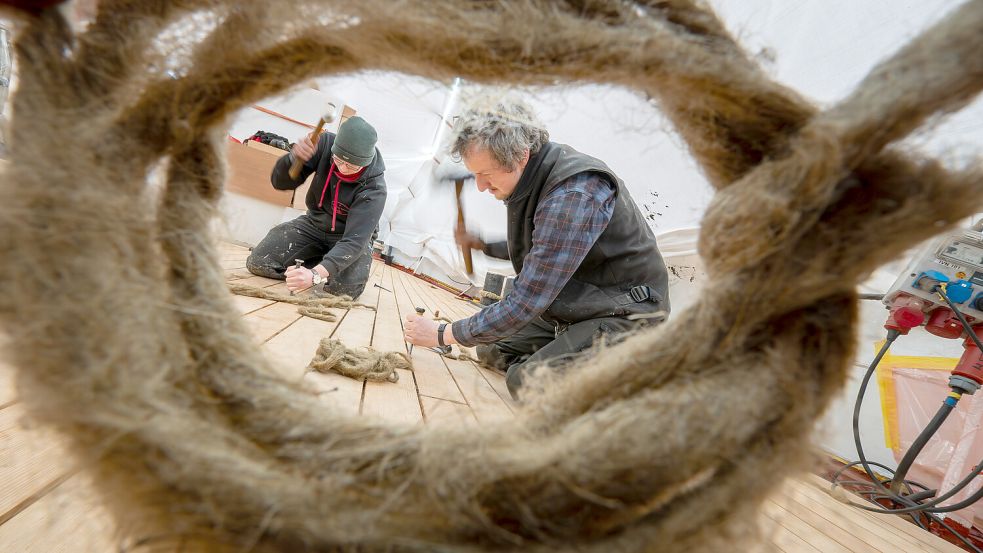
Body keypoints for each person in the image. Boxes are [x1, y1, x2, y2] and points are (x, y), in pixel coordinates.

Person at [403, 98, 670, 399]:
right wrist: (484, 245)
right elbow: (545, 247)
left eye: (486, 175)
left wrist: (443, 333)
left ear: (520, 155)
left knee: (527, 383)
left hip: (623, 314)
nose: (479, 186)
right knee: (490, 348)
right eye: (474, 174)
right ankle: (572, 359)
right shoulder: (534, 178)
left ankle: (617, 373)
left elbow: (526, 300)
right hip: (578, 306)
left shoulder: (573, 195)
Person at [246, 116, 386, 298]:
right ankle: (317, 261)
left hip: (348, 237)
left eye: (351, 166)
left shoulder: (375, 189)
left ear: (365, 162)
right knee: (258, 261)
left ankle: (321, 266)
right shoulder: (323, 144)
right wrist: (293, 159)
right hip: (314, 224)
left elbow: (355, 240)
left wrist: (315, 275)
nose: (342, 168)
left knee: (344, 292)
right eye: (338, 160)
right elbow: (280, 183)